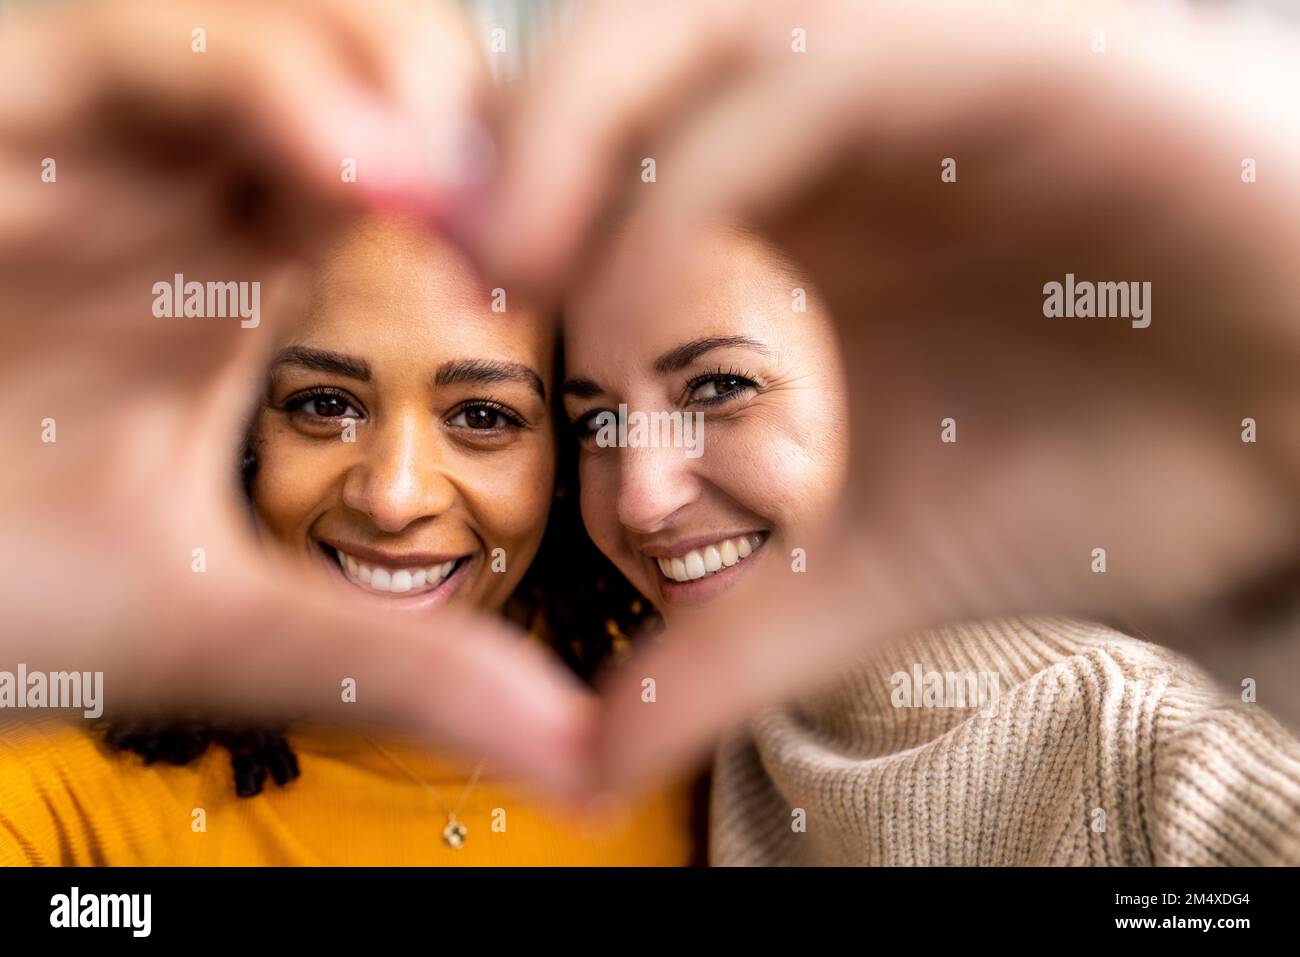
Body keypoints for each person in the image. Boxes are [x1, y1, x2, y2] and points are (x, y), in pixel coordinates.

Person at [4, 0, 1300, 803]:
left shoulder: (1115, 734)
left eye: (487, 417)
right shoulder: (679, 722)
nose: (643, 491)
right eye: (598, 416)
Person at [562, 218, 1300, 864]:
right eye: (600, 424)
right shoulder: (721, 737)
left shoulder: (1139, 752)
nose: (640, 500)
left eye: (718, 388)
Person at [0, 215, 695, 866]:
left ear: (565, 459)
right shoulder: (52, 779)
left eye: (483, 416)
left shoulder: (679, 718)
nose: (393, 499)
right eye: (325, 404)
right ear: (234, 424)